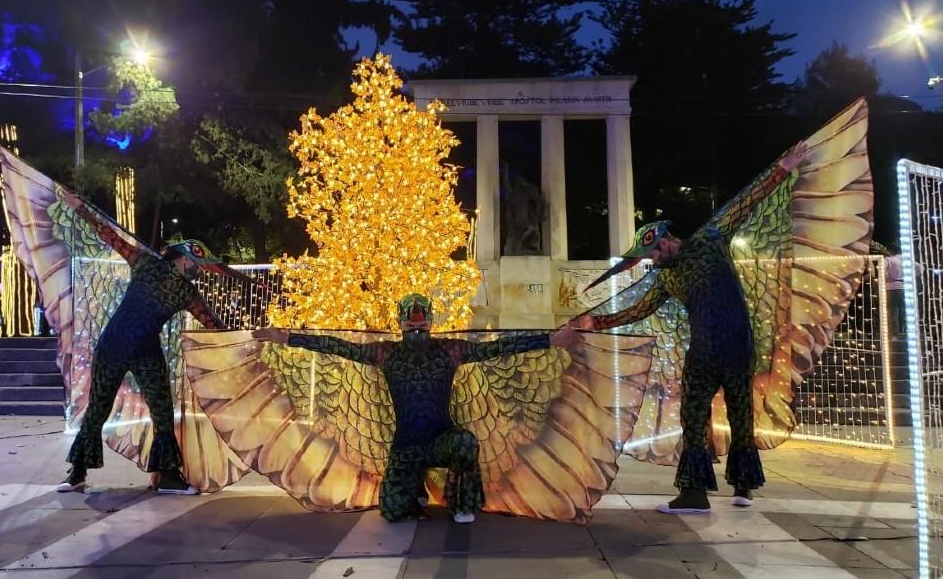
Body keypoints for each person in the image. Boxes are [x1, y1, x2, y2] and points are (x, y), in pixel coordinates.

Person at [567, 142, 808, 514]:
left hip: (736, 346)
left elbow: (746, 204)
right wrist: (594, 322)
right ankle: (695, 492)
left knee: (740, 411)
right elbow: (636, 310)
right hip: (706, 352)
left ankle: (743, 485)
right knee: (693, 416)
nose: (650, 262)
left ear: (664, 241)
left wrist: (783, 169)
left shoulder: (711, 240)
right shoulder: (666, 279)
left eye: (651, 254)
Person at [254, 293, 579, 523]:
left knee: (465, 442)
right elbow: (336, 346)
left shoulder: (451, 350)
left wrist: (551, 341)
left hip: (441, 440)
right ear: (400, 323)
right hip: (406, 448)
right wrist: (286, 338)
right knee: (394, 513)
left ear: (432, 322)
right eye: (411, 323)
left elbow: (501, 347)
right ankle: (414, 487)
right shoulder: (386, 354)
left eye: (422, 322)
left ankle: (461, 503)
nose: (417, 326)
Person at [56, 189, 231, 495]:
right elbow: (110, 235)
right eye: (197, 266)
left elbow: (213, 324)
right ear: (185, 258)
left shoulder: (188, 293)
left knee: (162, 409)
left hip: (146, 351)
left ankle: (167, 475)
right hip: (115, 344)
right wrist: (80, 207)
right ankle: (78, 472)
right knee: (98, 407)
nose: (199, 272)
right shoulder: (145, 262)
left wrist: (248, 338)